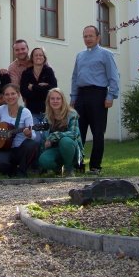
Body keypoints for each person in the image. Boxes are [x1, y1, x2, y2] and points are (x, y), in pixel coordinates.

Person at [70, 25, 119, 175]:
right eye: (85, 36)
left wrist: (111, 95)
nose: (88, 39)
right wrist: (73, 97)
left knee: (98, 132)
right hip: (81, 95)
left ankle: (95, 166)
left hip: (98, 95)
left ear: (98, 37)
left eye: (91, 36)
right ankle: (78, 165)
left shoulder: (106, 54)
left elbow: (114, 76)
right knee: (78, 131)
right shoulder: (80, 56)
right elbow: (75, 77)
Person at [0, 83, 39, 177]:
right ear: (3, 97)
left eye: (13, 94)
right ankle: (14, 171)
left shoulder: (25, 112)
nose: (10, 97)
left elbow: (33, 135)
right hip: (5, 148)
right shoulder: (0, 109)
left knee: (31, 144)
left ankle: (22, 171)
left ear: (18, 95)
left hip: (21, 149)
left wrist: (28, 134)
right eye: (7, 94)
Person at [39, 88, 84, 177]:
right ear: (48, 101)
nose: (55, 101)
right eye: (52, 99)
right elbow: (44, 139)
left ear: (62, 100)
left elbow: (74, 134)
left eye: (58, 98)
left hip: (71, 149)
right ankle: (58, 169)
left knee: (65, 141)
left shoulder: (72, 114)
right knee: (43, 160)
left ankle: (69, 168)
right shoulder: (46, 117)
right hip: (55, 150)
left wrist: (54, 135)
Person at [20, 47, 57, 126]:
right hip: (32, 111)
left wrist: (33, 87)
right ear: (32, 58)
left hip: (48, 112)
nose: (38, 57)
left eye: (41, 55)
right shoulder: (26, 73)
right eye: (36, 55)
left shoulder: (49, 71)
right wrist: (44, 90)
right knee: (36, 136)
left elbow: (53, 90)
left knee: (47, 135)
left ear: (44, 58)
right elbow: (24, 92)